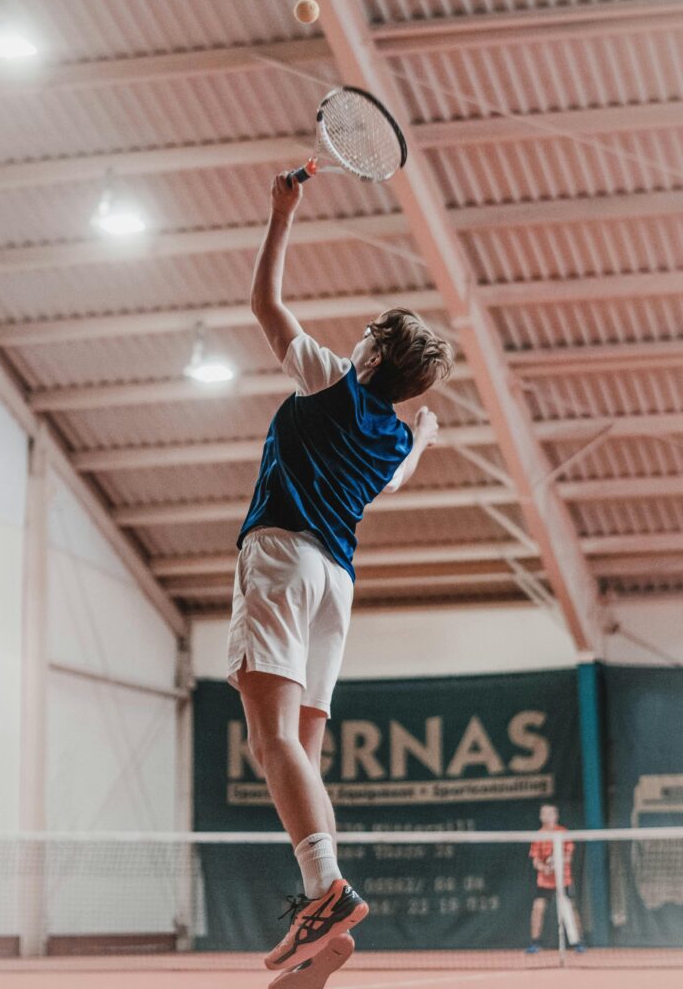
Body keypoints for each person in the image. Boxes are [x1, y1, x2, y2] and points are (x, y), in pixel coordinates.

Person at [227, 173, 454, 975]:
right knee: (301, 755)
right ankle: (315, 930)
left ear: (369, 353)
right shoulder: (392, 439)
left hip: (284, 557)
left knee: (270, 741)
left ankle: (326, 890)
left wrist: (279, 212)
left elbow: (265, 305)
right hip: (338, 585)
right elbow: (398, 479)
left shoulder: (333, 380)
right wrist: (424, 434)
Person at [526, 804, 585, 954]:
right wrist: (544, 868)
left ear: (556, 815)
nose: (547, 816)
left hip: (563, 880)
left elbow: (568, 857)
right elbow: (535, 861)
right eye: (544, 813)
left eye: (550, 813)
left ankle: (579, 942)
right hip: (544, 882)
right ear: (540, 816)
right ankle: (535, 943)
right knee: (538, 908)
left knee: (570, 909)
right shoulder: (538, 835)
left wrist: (557, 863)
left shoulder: (563, 833)